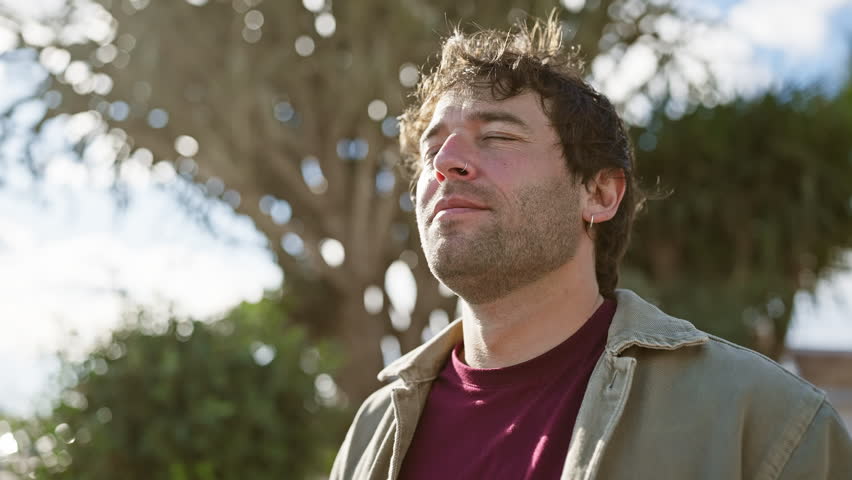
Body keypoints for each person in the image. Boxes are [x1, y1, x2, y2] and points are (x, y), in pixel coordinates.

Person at [329, 14, 852, 480]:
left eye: (499, 137)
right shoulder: (373, 431)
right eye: (431, 147)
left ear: (599, 194)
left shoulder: (765, 426)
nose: (447, 162)